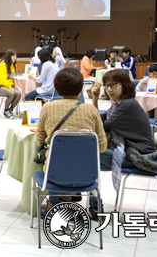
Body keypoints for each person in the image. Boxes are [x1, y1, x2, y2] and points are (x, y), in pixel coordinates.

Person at [36, 68, 106, 217]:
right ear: (81, 88)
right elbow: (102, 146)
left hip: (55, 174)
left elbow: (39, 140)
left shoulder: (47, 108)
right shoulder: (92, 111)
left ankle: (53, 203)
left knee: (53, 158)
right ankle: (87, 204)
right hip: (87, 175)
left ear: (56, 87)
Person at [90, 69, 156, 216]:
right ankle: (89, 202)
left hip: (139, 155)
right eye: (106, 85)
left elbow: (102, 127)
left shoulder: (127, 105)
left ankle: (88, 202)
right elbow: (99, 120)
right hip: (128, 151)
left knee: (88, 156)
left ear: (125, 85)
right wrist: (95, 98)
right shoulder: (118, 105)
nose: (109, 89)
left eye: (114, 85)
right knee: (88, 161)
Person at [0, 49, 21, 118]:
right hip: (0, 85)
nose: (15, 58)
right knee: (11, 93)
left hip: (8, 85)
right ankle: (6, 110)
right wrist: (10, 88)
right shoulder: (3, 65)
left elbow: (11, 78)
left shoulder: (13, 65)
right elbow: (2, 79)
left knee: (18, 93)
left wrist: (12, 86)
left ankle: (11, 110)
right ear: (9, 56)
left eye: (15, 56)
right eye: (13, 56)